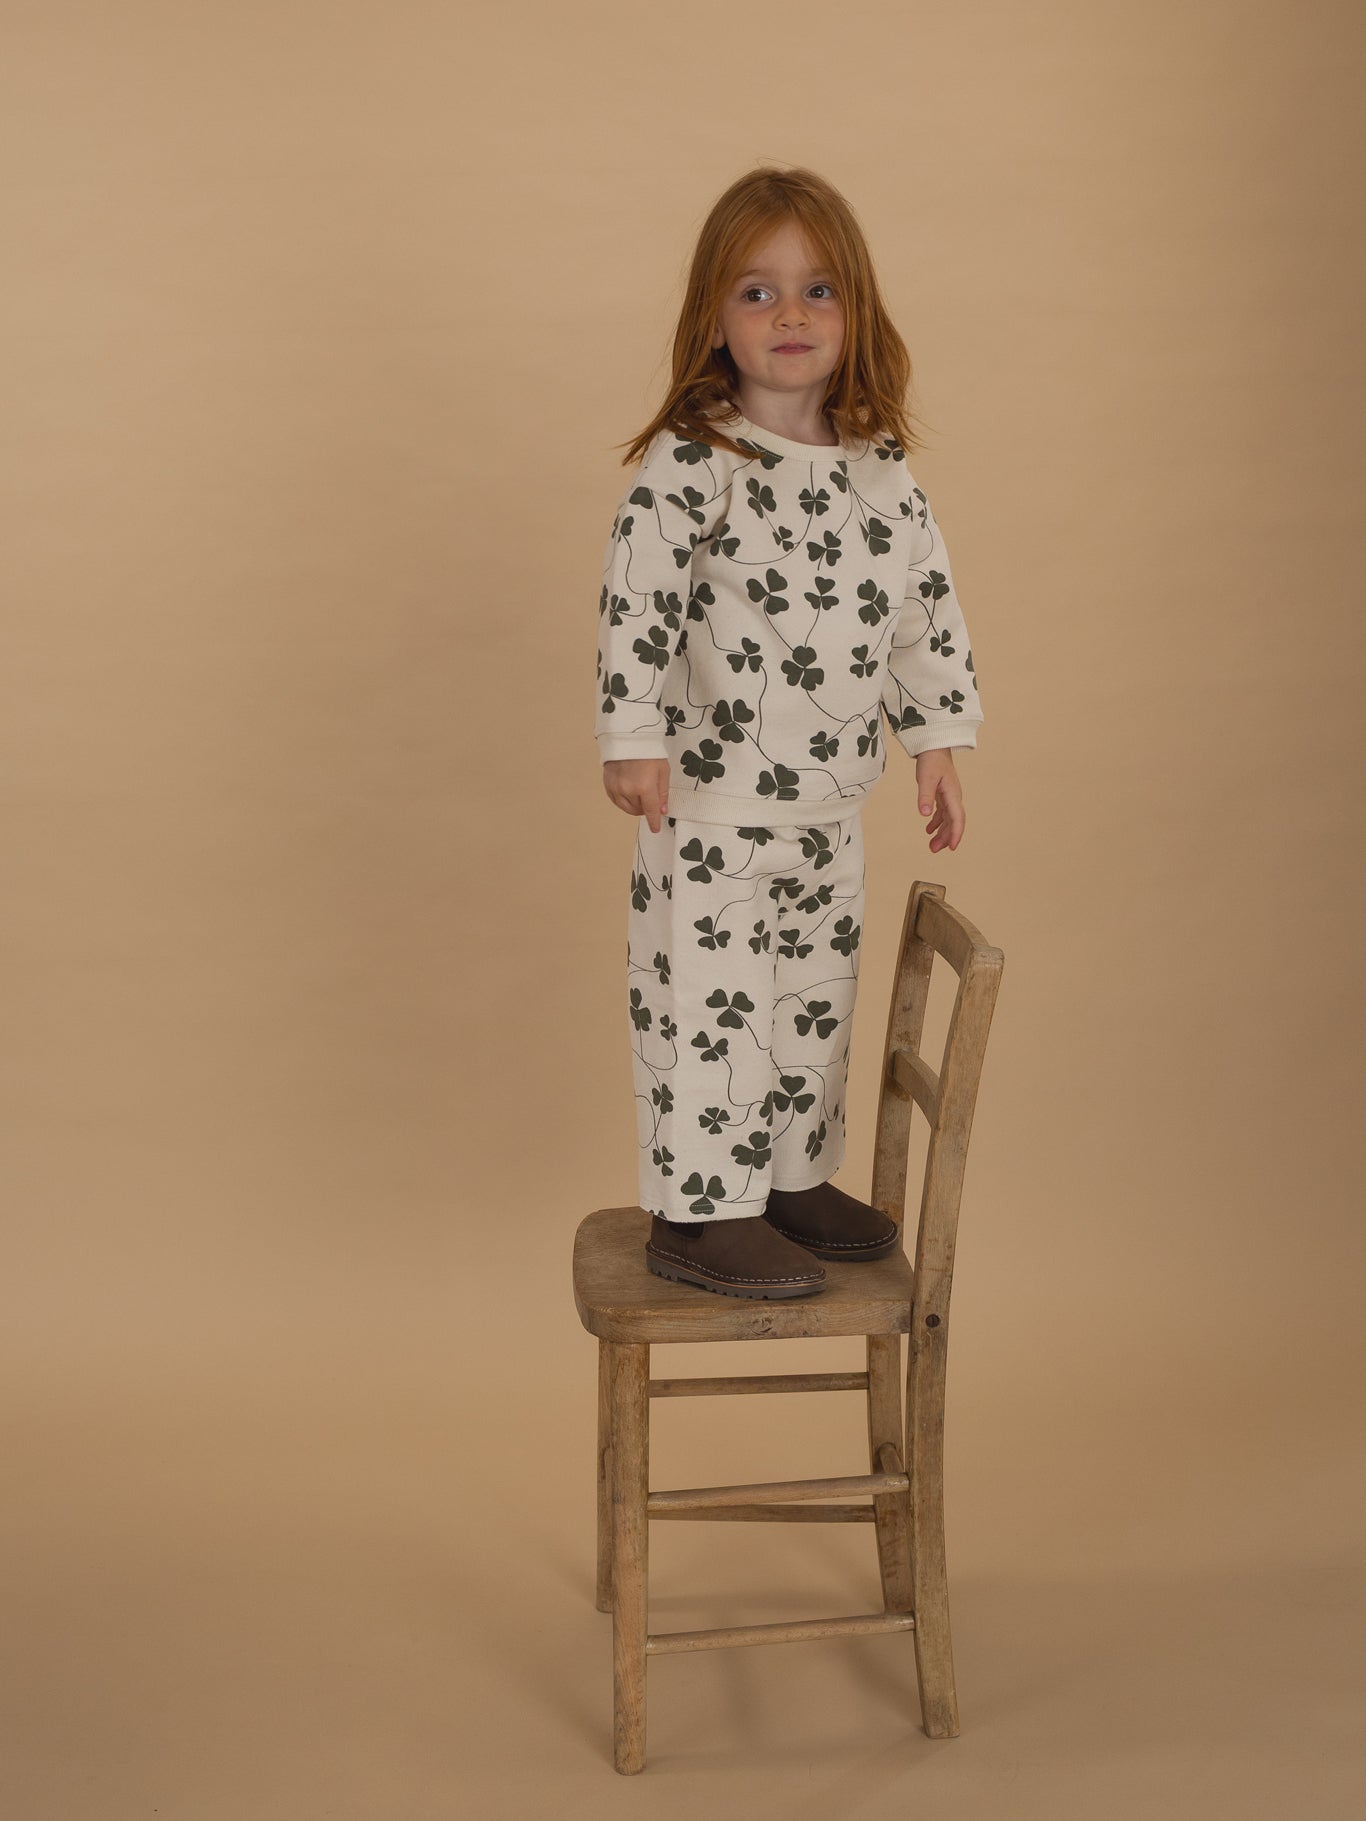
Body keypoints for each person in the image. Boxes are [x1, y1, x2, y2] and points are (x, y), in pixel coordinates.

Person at [594, 166, 983, 1301]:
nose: (792, 316)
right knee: (711, 1008)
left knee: (812, 1002)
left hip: (828, 810)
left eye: (817, 290)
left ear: (855, 310)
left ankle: (794, 1178)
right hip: (711, 808)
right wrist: (631, 737)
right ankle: (702, 1212)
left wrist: (937, 742)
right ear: (713, 320)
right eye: (757, 293)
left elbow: (920, 611)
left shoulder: (879, 474)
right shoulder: (693, 464)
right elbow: (637, 604)